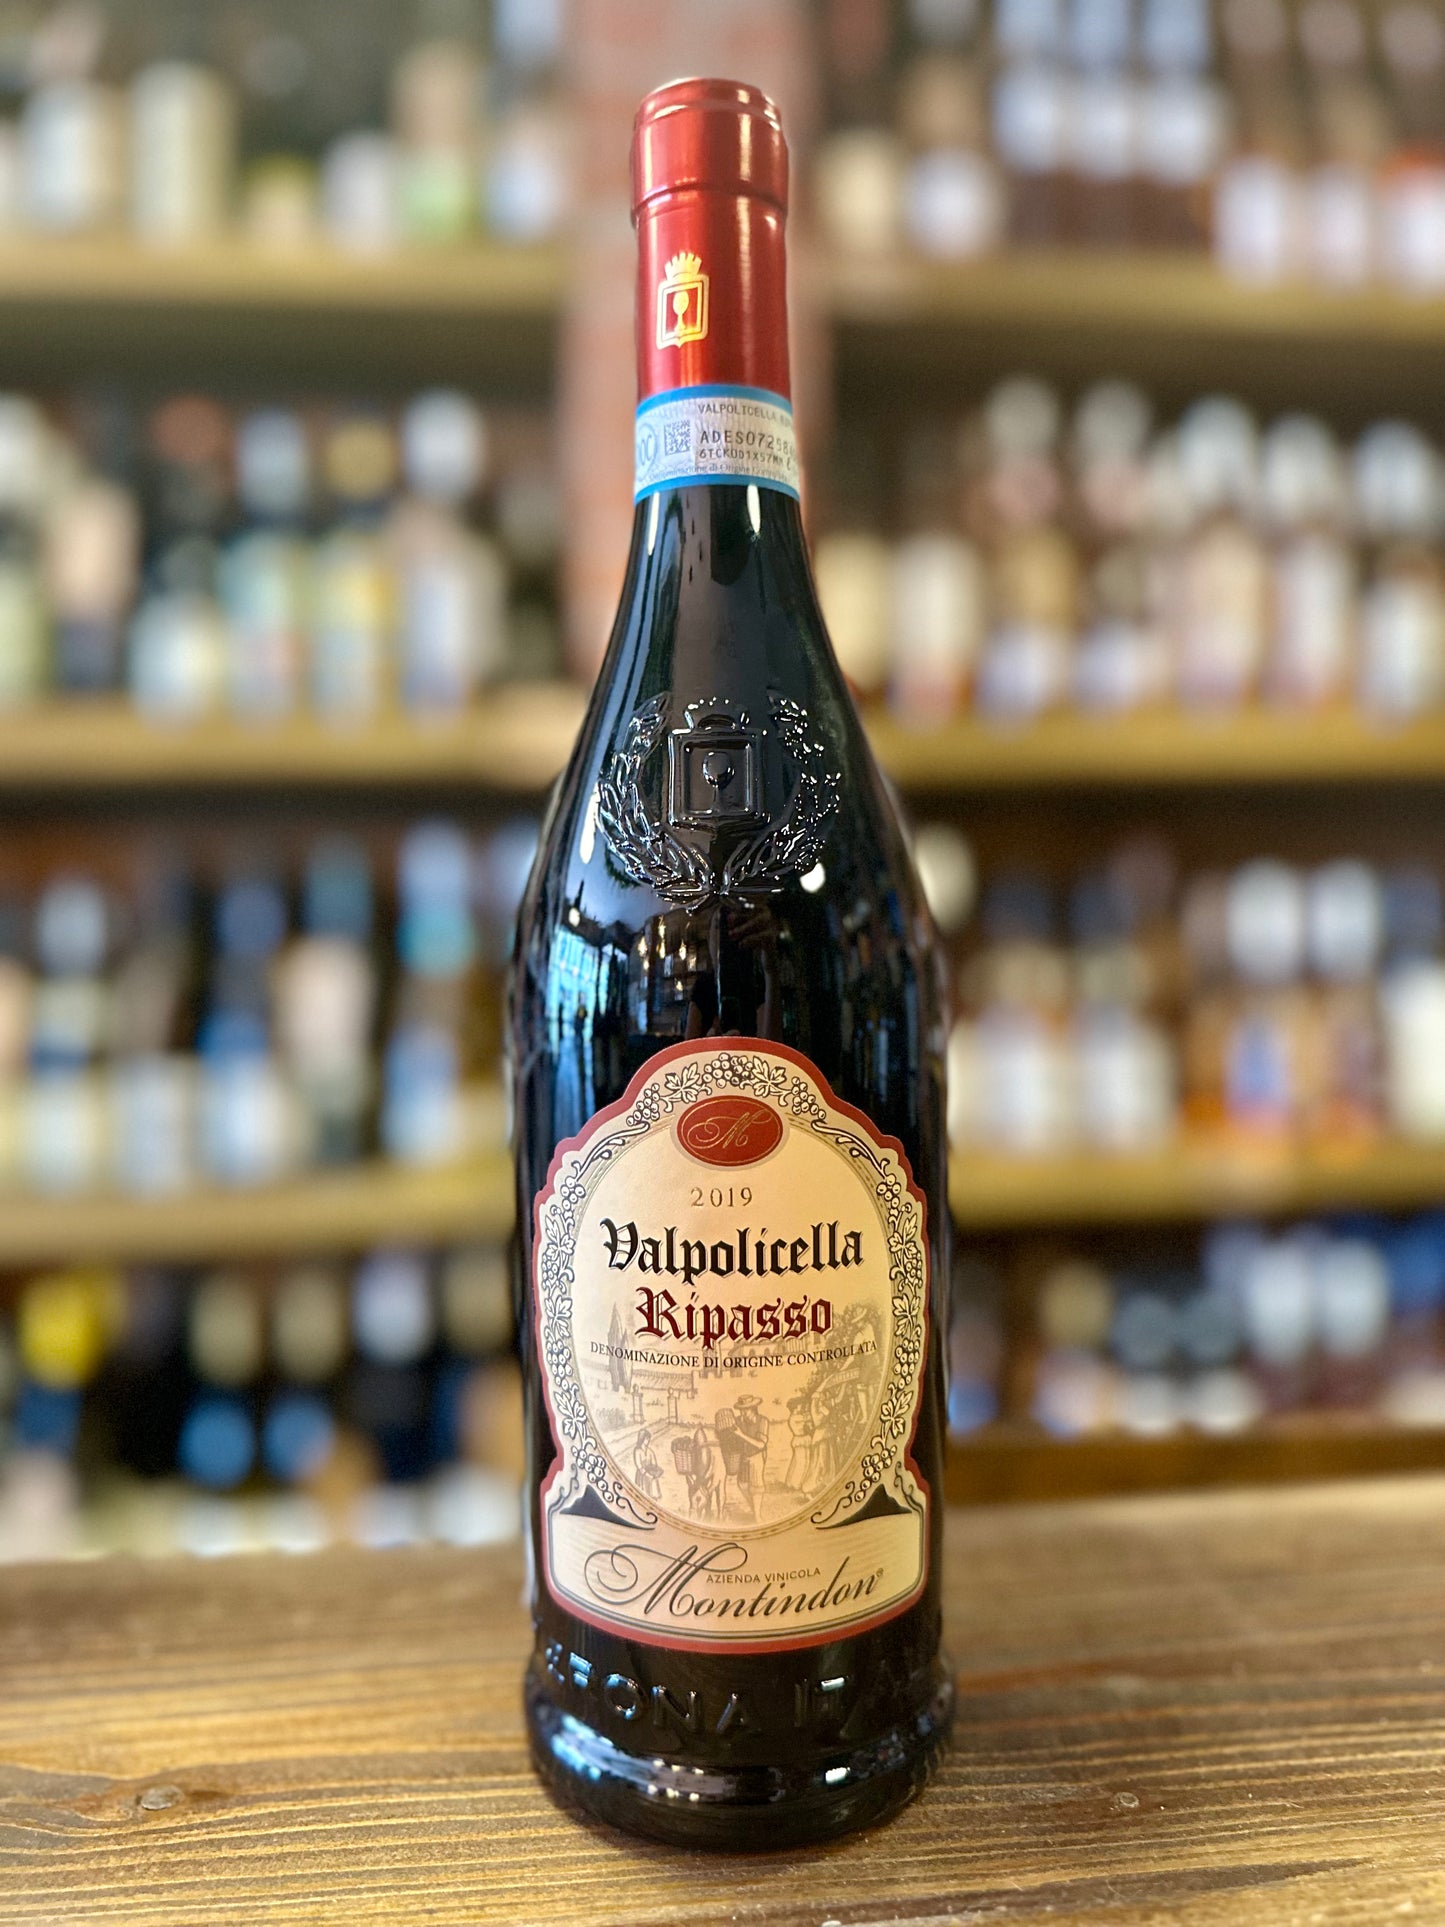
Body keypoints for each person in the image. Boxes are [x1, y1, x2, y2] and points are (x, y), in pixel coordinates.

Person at [633, 1428, 663, 1502]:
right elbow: (639, 1466)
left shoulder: (650, 1451)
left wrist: (656, 1471)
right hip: (642, 1476)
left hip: (651, 1474)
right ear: (642, 1438)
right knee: (643, 1496)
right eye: (646, 1438)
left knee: (653, 1494)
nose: (648, 1440)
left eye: (648, 1438)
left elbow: (654, 1464)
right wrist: (647, 1474)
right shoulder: (637, 1451)